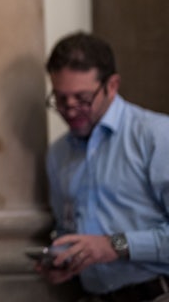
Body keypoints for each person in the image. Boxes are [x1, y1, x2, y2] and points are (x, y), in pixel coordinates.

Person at [36, 31, 169, 301]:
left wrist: (114, 245)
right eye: (61, 99)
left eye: (82, 98)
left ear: (112, 86)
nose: (70, 110)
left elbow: (107, 246)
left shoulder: (156, 136)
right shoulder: (58, 154)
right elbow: (68, 229)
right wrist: (65, 260)